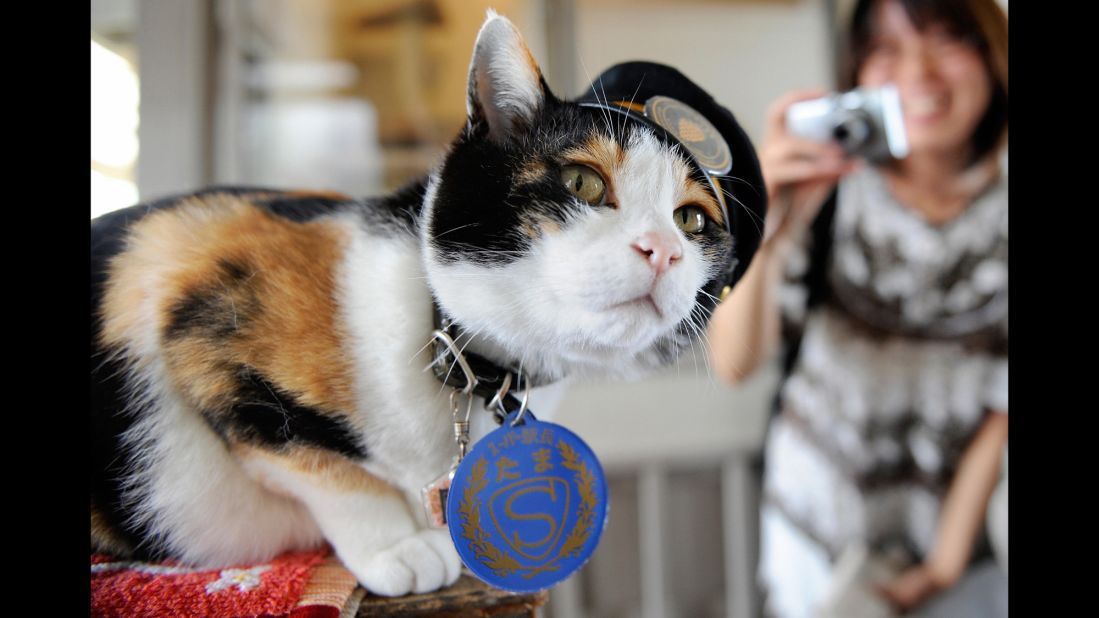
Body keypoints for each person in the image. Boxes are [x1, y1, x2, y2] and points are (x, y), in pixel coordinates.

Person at [706, 0, 1008, 616]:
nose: (917, 73)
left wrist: (945, 559)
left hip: (963, 546)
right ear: (857, 70)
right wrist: (769, 223)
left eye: (945, 40)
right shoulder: (831, 191)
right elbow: (734, 364)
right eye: (886, 48)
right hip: (817, 536)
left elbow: (1003, 409)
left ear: (992, 53)